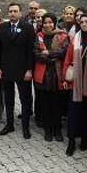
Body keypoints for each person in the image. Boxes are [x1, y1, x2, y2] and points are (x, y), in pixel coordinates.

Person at [0, 3, 36, 139]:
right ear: (8, 13)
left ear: (20, 13)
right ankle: (10, 124)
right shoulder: (2, 27)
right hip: (6, 69)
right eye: (10, 11)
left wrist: (30, 69)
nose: (12, 13)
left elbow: (31, 51)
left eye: (15, 11)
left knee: (25, 99)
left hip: (23, 70)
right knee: (9, 98)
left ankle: (25, 127)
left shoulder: (28, 28)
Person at [63, 13, 87, 155]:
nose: (84, 24)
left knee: (86, 112)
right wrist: (66, 78)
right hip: (76, 83)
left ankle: (84, 138)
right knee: (73, 113)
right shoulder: (75, 39)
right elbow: (68, 58)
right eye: (82, 22)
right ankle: (71, 141)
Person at [33, 13, 69, 141]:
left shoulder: (62, 36)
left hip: (57, 74)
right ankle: (48, 130)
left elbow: (64, 52)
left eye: (50, 22)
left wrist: (48, 53)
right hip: (43, 74)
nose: (48, 25)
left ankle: (57, 130)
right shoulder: (38, 36)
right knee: (45, 104)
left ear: (54, 23)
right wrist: (52, 57)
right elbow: (36, 53)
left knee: (57, 104)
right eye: (45, 22)